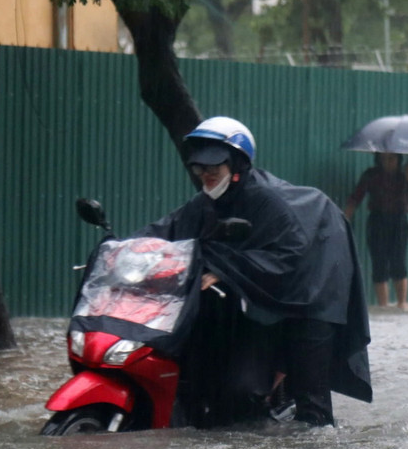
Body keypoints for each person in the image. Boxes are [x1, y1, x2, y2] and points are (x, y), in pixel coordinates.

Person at [134, 116, 372, 427]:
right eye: (200, 168)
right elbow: (166, 231)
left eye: (214, 167)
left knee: (311, 407)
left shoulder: (267, 201)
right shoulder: (205, 203)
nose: (206, 174)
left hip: (314, 289)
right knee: (236, 391)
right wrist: (122, 251)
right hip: (264, 296)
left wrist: (225, 269)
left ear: (237, 165)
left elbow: (290, 255)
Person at [343, 152, 408, 310]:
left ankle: (401, 303)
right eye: (384, 159)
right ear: (378, 159)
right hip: (377, 220)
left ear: (398, 159)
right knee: (379, 263)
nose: (388, 162)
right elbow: (355, 198)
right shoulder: (371, 175)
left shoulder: (406, 174)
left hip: (399, 221)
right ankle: (383, 306)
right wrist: (344, 219)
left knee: (398, 261)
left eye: (392, 158)